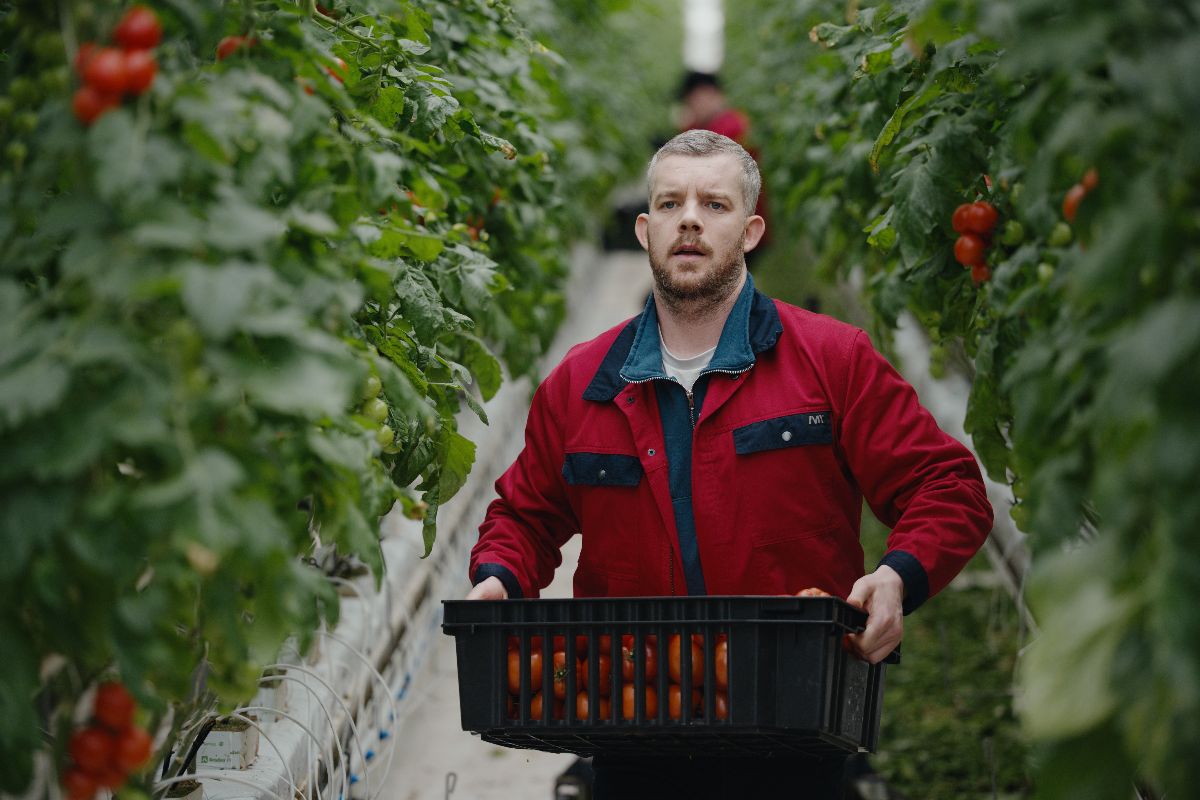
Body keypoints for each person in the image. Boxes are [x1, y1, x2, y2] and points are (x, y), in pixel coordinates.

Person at [466, 130, 993, 799]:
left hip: (796, 724)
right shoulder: (582, 383)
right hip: (634, 729)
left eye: (713, 204)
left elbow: (945, 485)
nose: (688, 218)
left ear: (750, 231)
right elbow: (525, 515)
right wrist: (498, 581)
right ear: (644, 228)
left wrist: (896, 578)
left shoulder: (832, 360)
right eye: (669, 203)